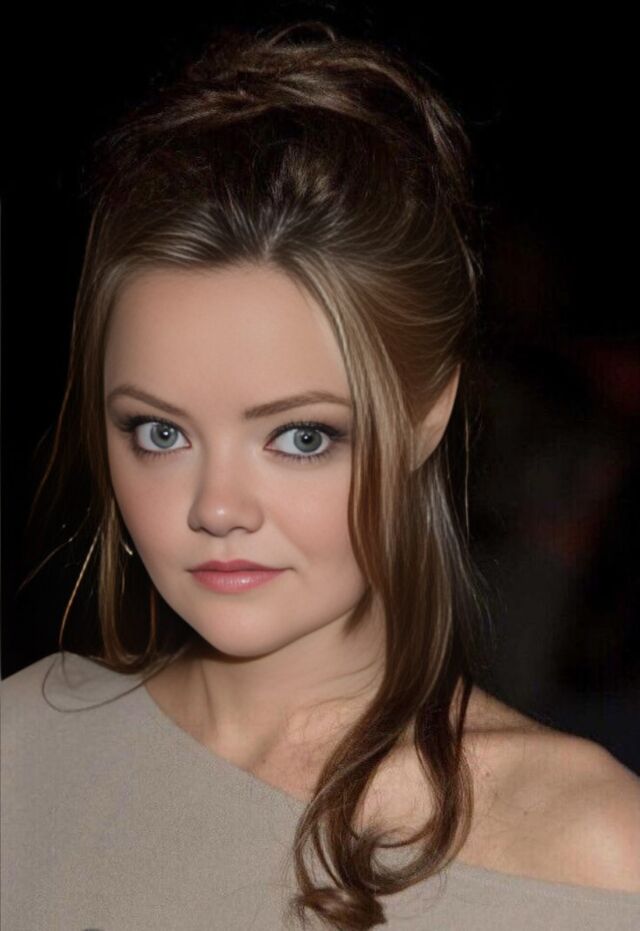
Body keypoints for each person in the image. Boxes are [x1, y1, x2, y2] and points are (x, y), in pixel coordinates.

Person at [1, 18, 639, 931]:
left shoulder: (594, 849)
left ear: (426, 417)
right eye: (160, 432)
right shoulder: (23, 744)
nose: (217, 507)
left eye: (299, 436)